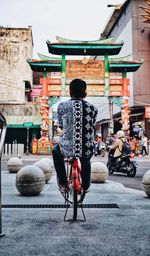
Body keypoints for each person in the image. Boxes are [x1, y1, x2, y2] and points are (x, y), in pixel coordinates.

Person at [52, 78, 98, 194]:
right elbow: (91, 125)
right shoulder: (93, 108)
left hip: (67, 146)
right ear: (85, 93)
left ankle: (63, 182)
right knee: (86, 159)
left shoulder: (62, 106)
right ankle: (86, 185)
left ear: (70, 92)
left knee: (56, 151)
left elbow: (62, 126)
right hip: (85, 146)